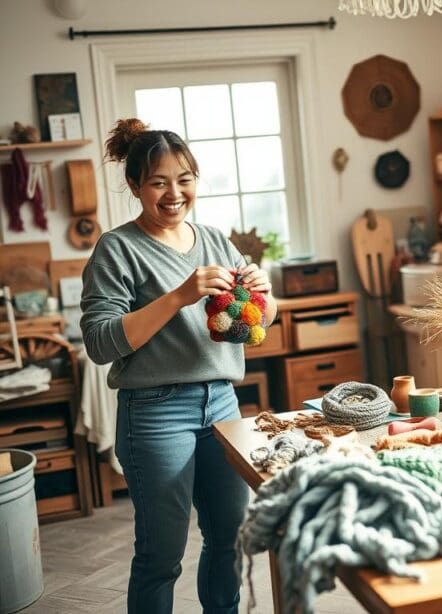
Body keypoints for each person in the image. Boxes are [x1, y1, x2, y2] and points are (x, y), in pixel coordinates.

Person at [80, 118, 277, 614]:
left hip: (224, 406)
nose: (174, 193)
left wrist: (265, 295)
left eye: (184, 179)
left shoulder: (213, 238)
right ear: (135, 186)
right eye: (158, 182)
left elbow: (257, 324)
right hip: (154, 411)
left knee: (231, 537)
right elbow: (101, 342)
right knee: (161, 554)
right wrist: (180, 296)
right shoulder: (117, 248)